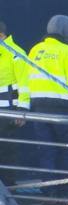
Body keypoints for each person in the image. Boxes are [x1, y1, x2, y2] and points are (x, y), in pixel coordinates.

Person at [26, 15, 68, 203]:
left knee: (46, 151)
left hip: (39, 109)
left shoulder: (35, 50)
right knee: (66, 151)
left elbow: (28, 78)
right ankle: (65, 192)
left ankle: (49, 194)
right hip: (63, 110)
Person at [0, 20, 29, 186]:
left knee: (7, 152)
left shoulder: (16, 54)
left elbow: (25, 84)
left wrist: (22, 110)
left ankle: (9, 191)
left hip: (9, 111)